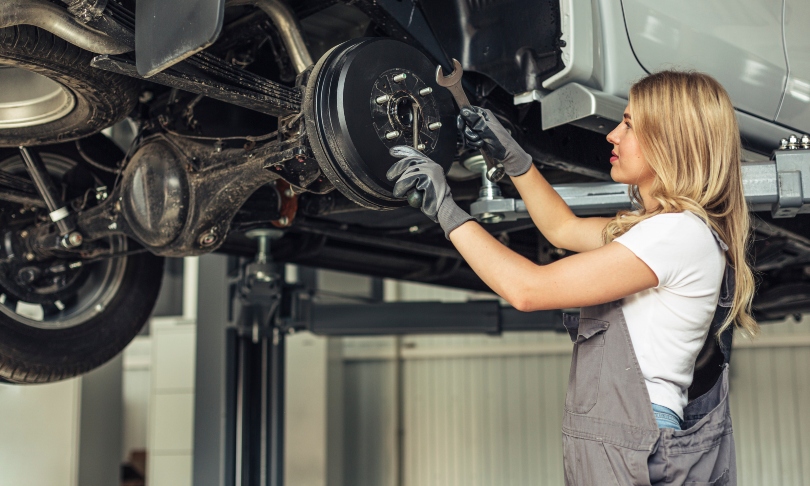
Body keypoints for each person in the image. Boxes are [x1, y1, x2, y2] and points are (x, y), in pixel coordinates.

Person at [386, 70, 756, 485]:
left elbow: (528, 290)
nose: (613, 135)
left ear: (671, 140)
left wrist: (446, 210)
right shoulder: (664, 232)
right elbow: (561, 229)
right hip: (622, 432)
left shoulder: (678, 234)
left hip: (634, 434)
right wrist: (516, 160)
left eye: (630, 125)